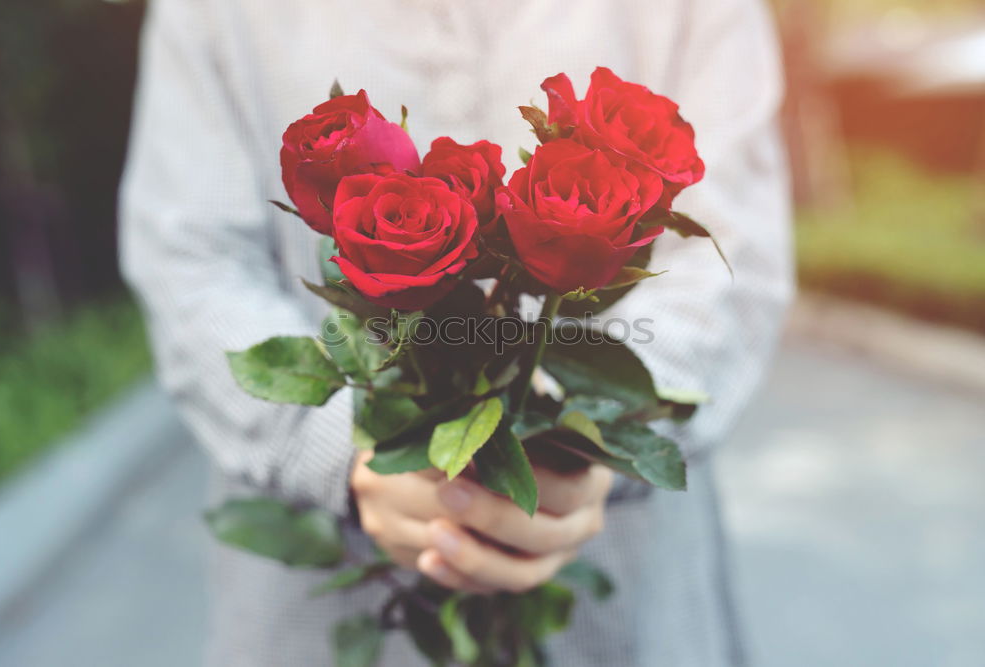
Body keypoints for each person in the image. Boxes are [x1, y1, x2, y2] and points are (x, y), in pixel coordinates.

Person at [119, 0, 793, 664]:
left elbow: (735, 251)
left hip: (621, 592)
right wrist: (345, 447)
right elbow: (189, 256)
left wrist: (576, 436)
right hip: (328, 610)